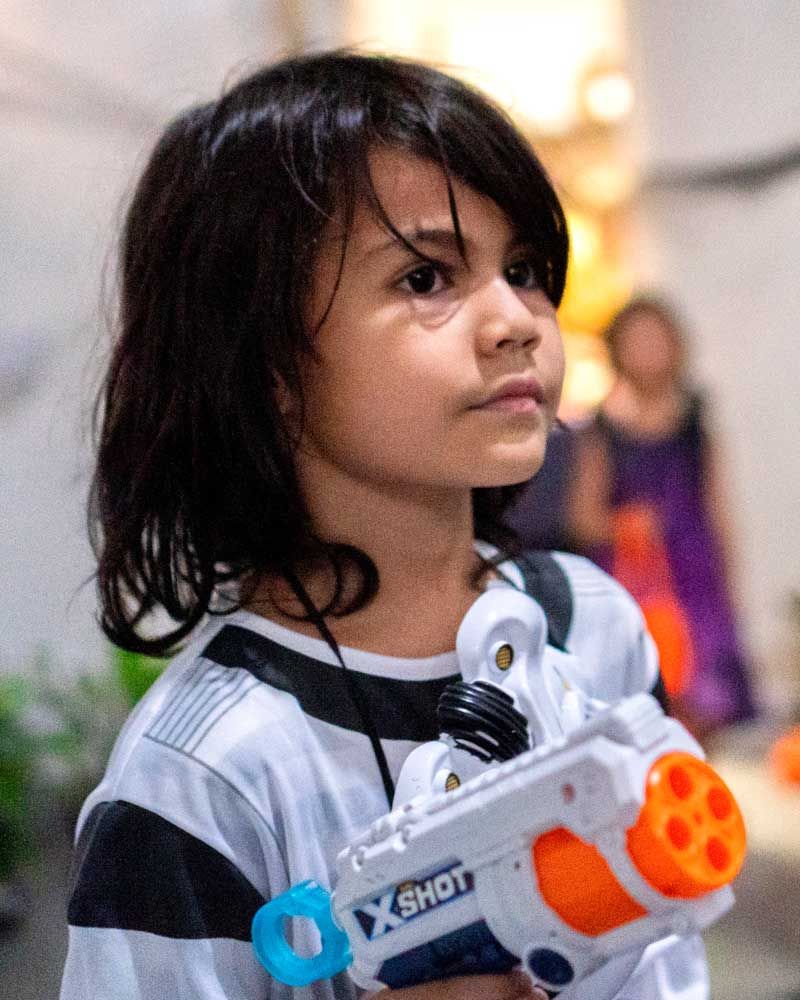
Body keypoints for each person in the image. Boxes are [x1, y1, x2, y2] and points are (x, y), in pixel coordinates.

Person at [60, 53, 709, 1000]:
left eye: (523, 269)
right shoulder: (203, 777)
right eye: (425, 276)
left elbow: (672, 967)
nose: (516, 320)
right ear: (263, 362)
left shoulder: (593, 625)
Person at [567, 295, 757, 739]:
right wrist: (627, 526)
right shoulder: (602, 429)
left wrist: (729, 584)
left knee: (711, 701)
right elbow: (582, 519)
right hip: (636, 582)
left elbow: (717, 510)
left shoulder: (694, 423)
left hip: (697, 582)